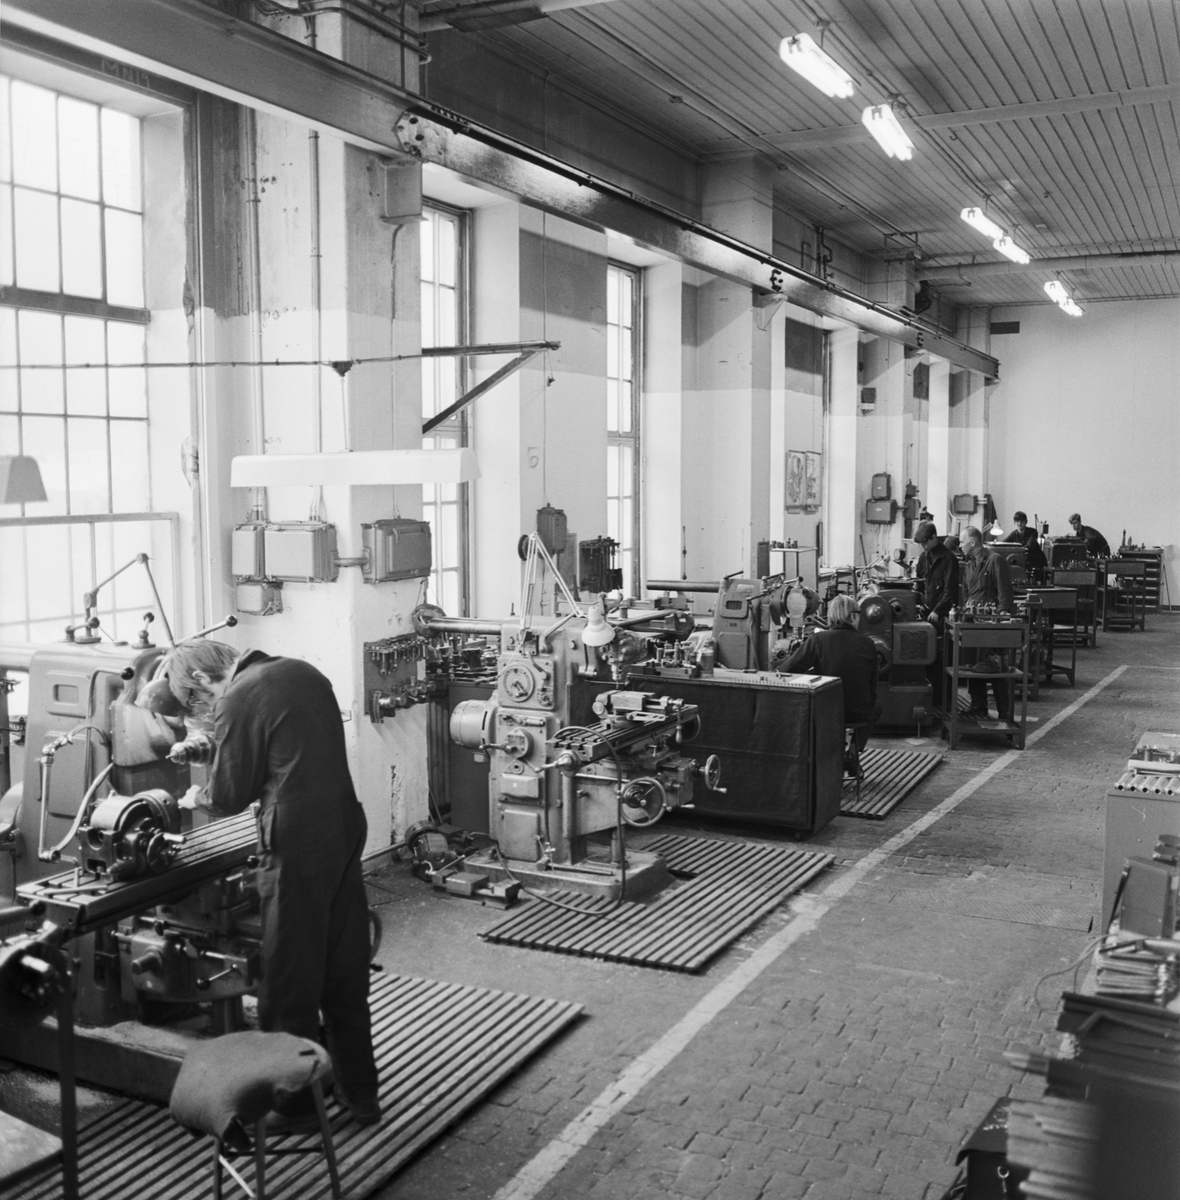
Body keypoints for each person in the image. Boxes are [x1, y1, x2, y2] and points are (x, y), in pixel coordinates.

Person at [165, 640, 380, 1130]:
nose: (206, 707)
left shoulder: (238, 696)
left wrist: (197, 796)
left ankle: (296, 1106)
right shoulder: (301, 670)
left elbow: (228, 795)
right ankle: (361, 1094)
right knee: (344, 967)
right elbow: (289, 751)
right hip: (344, 825)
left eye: (199, 700)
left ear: (200, 678)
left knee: (289, 979)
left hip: (295, 842)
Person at [779, 593, 880, 753]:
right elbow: (873, 685)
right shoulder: (868, 643)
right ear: (853, 616)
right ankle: (854, 749)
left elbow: (786, 670)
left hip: (826, 712)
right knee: (876, 706)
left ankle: (818, 751)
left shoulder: (818, 640)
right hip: (859, 713)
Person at [960, 526, 1014, 721]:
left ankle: (1004, 711)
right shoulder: (969, 565)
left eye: (962, 542)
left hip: (991, 623)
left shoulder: (994, 560)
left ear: (973, 542)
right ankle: (978, 704)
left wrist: (1003, 614)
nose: (960, 545)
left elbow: (1004, 590)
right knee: (973, 665)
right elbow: (966, 593)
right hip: (972, 621)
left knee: (995, 667)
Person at [913, 521, 959, 713]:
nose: (923, 546)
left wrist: (937, 611)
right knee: (926, 659)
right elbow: (919, 585)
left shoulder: (949, 559)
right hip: (926, 616)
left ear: (934, 538)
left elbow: (950, 592)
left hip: (941, 618)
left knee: (942, 660)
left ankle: (944, 703)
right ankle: (929, 700)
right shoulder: (923, 557)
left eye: (925, 542)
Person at [1001, 511, 1047, 575]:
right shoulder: (1014, 533)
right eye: (1017, 521)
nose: (1019, 523)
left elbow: (1029, 546)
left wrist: (1016, 550)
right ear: (1014, 522)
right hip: (1023, 561)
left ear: (1026, 522)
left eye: (1022, 521)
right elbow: (1004, 543)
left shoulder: (1033, 532)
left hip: (1036, 562)